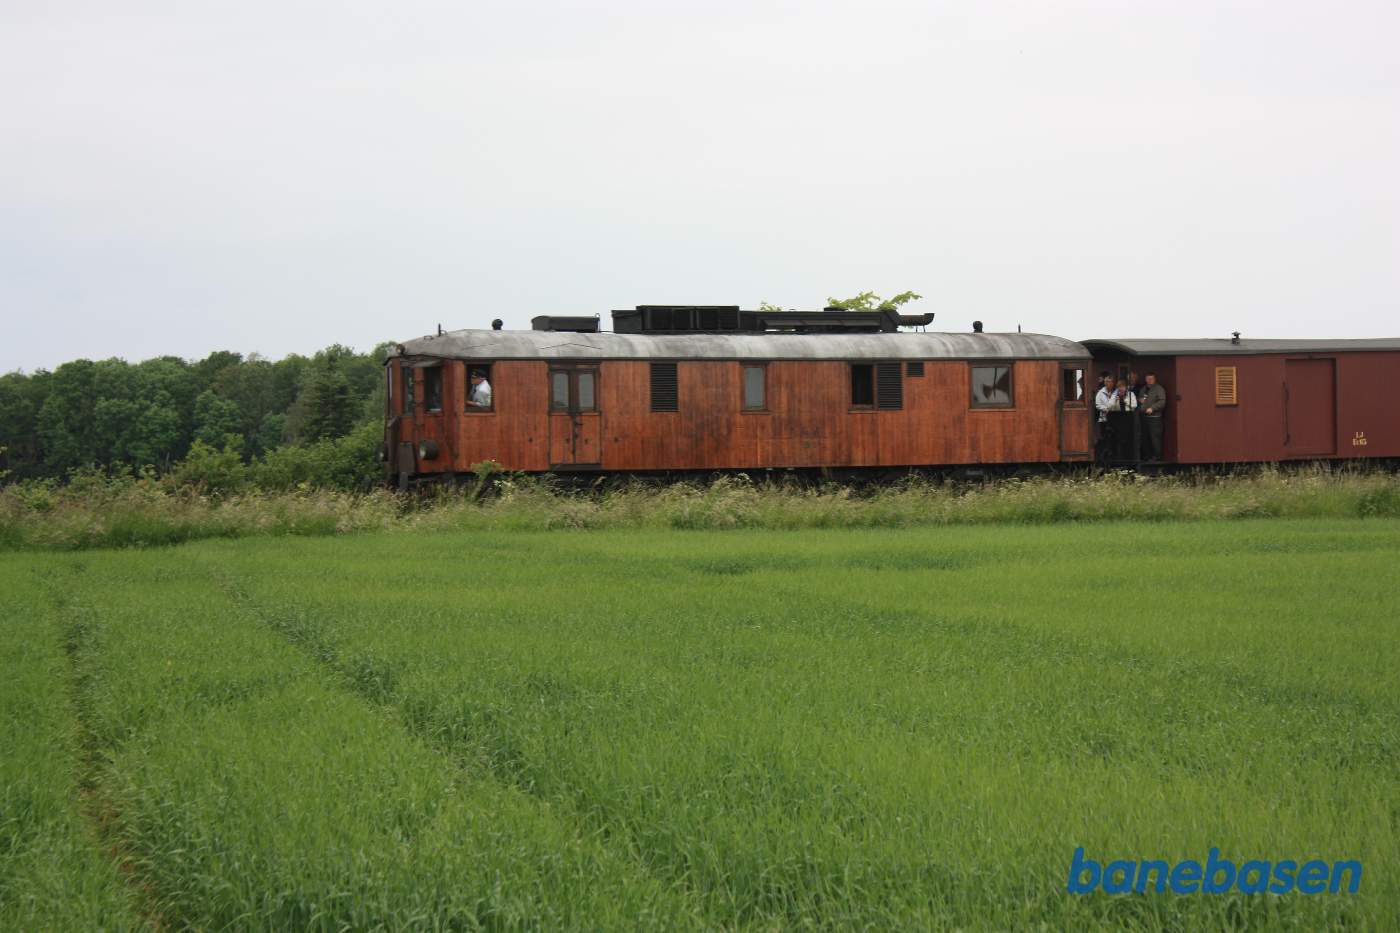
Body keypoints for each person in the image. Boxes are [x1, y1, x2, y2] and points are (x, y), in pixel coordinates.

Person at [1139, 372, 1167, 461]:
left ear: (1155, 379)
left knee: (1155, 438)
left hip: (1155, 418)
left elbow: (1162, 402)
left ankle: (1156, 457)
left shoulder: (1159, 389)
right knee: (1145, 438)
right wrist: (1140, 400)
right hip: (1144, 417)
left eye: (1151, 379)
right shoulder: (1143, 389)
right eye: (1148, 379)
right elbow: (1140, 399)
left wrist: (1152, 408)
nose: (1149, 380)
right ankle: (1147, 456)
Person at [1095, 374, 1120, 462]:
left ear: (1113, 383)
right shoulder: (1100, 393)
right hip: (1104, 419)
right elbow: (1098, 405)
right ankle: (1105, 458)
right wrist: (1106, 409)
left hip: (1116, 419)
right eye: (1106, 382)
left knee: (1115, 439)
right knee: (1105, 439)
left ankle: (1115, 456)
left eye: (1109, 382)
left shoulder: (1117, 392)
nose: (1108, 383)